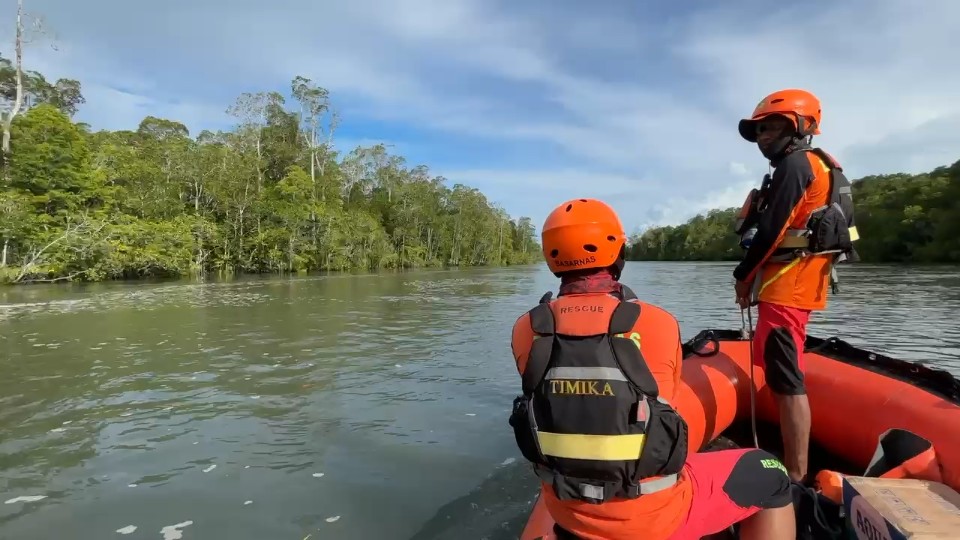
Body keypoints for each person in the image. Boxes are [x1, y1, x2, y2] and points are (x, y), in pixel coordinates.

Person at [509, 198, 796, 540]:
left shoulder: (525, 328)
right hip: (652, 518)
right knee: (772, 472)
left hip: (567, 511)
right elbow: (665, 409)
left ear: (551, 254)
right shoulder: (657, 322)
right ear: (617, 251)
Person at [733, 89, 859, 483]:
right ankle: (794, 461)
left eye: (773, 127)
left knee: (786, 378)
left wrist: (743, 276)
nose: (764, 137)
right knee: (781, 370)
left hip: (789, 285)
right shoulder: (817, 165)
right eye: (760, 130)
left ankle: (796, 474)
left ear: (801, 128)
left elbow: (773, 230)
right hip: (796, 283)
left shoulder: (796, 165)